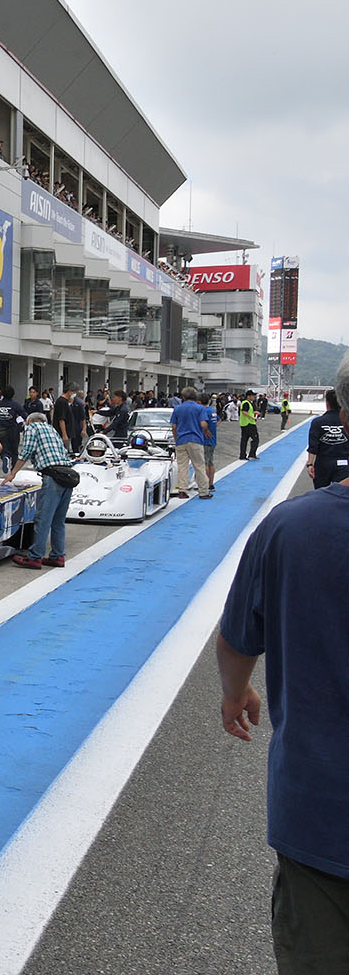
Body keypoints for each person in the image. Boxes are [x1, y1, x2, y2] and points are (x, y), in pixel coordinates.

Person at [216, 358, 349, 972]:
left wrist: (234, 691)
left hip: (321, 817)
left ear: (340, 414)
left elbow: (238, 638)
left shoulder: (288, 530)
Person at [3, 413, 72, 569]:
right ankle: (57, 555)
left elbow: (25, 452)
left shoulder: (32, 428)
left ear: (28, 421)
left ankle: (35, 557)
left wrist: (12, 473)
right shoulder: (52, 429)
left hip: (52, 476)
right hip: (68, 475)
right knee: (58, 520)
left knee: (43, 519)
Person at [170, 386, 214, 500]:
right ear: (195, 397)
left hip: (181, 440)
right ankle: (203, 491)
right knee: (199, 466)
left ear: (183, 397)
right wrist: (205, 431)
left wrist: (176, 439)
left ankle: (182, 490)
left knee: (182, 466)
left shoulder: (177, 409)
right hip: (195, 440)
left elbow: (174, 427)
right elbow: (203, 424)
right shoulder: (200, 408)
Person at [307, 388, 349, 489]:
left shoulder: (317, 422)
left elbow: (313, 446)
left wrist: (310, 464)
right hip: (344, 462)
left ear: (327, 403)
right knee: (342, 494)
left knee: (321, 494)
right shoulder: (346, 421)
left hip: (323, 463)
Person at [0, 385, 23, 471]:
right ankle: (14, 470)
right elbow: (24, 415)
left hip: (1, 430)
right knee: (14, 450)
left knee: (3, 448)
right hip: (13, 429)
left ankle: (5, 457)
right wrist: (19, 423)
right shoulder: (15, 405)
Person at [239, 390, 259, 460]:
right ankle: (252, 454)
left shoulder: (248, 403)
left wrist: (254, 412)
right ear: (248, 396)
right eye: (253, 396)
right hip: (249, 424)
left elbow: (248, 411)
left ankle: (242, 455)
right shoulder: (246, 403)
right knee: (255, 439)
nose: (254, 397)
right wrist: (252, 417)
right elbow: (244, 412)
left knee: (244, 440)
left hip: (244, 424)